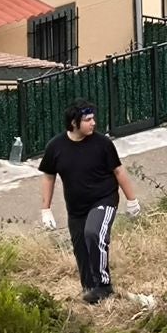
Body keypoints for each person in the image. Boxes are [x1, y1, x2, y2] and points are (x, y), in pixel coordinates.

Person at [38, 101, 143, 304]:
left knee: (94, 234)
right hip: (76, 209)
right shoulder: (56, 147)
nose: (93, 123)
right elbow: (48, 177)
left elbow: (119, 171)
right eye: (88, 120)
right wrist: (46, 209)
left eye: (93, 118)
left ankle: (104, 286)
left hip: (104, 199)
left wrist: (132, 200)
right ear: (74, 123)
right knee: (81, 247)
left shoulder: (102, 144)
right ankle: (91, 290)